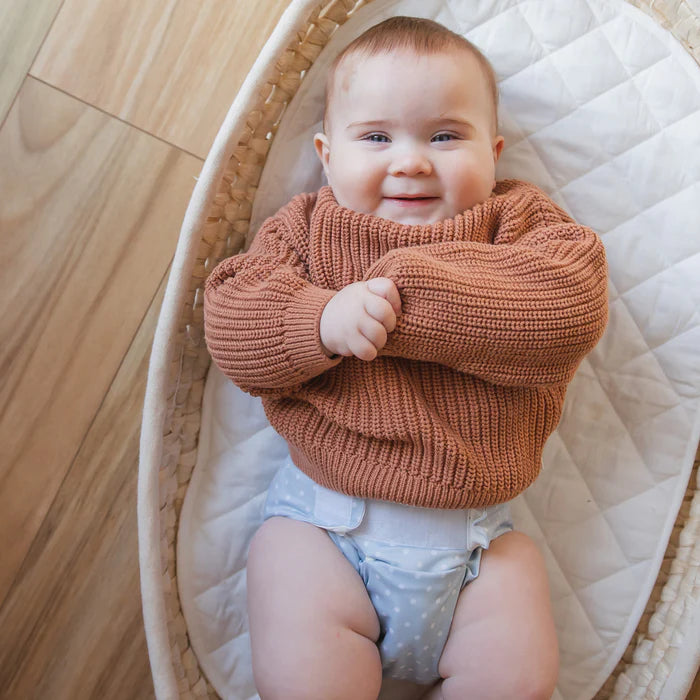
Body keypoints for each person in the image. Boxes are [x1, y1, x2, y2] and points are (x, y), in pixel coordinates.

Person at [203, 16, 609, 700]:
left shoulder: (517, 223)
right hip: (327, 526)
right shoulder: (307, 228)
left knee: (520, 677)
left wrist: (409, 303)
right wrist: (321, 319)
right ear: (327, 156)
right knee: (304, 669)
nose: (413, 160)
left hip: (478, 546)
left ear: (495, 151)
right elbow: (232, 319)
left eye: (446, 136)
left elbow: (569, 308)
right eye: (376, 137)